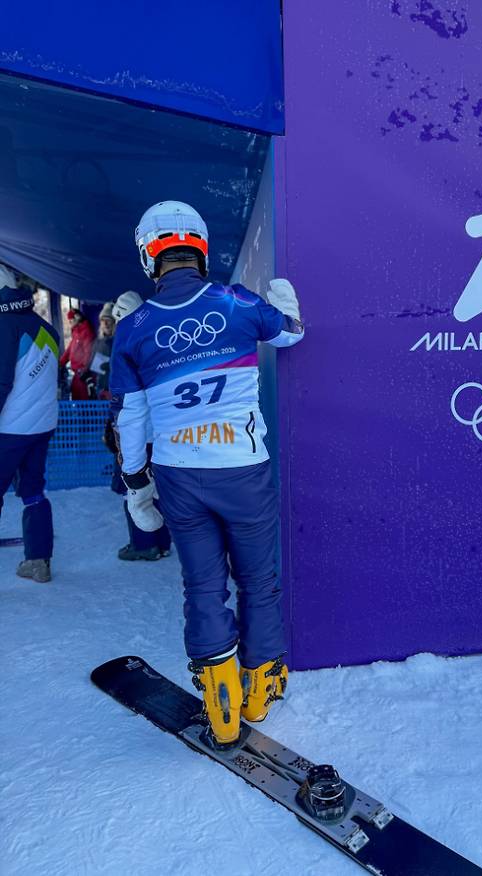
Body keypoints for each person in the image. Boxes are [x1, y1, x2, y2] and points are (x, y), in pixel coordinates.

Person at [110, 201, 304, 747]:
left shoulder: (133, 328)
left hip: (178, 476)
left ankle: (220, 705)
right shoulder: (235, 301)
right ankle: (261, 692)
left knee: (202, 586)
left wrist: (135, 485)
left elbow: (130, 419)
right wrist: (288, 306)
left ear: (150, 255)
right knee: (258, 583)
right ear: (199, 247)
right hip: (243, 470)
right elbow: (290, 334)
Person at [0, 263, 59, 583]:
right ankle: (39, 560)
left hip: (9, 429)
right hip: (41, 425)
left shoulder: (3, 325)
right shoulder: (43, 326)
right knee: (34, 491)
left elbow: (1, 381)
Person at [104, 291, 171, 561]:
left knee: (134, 488)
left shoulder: (127, 343)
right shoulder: (160, 337)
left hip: (138, 433)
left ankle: (144, 545)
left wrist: (114, 426)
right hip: (162, 431)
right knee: (159, 489)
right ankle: (162, 543)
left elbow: (127, 400)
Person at [59, 308, 94, 400]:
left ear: (77, 318)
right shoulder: (76, 332)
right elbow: (70, 349)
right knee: (76, 399)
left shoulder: (86, 331)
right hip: (77, 374)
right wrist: (60, 363)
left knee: (84, 403)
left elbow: (88, 352)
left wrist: (84, 370)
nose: (70, 323)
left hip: (82, 375)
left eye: (71, 321)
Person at [89, 302, 116, 400]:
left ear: (114, 323)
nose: (105, 324)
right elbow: (92, 363)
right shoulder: (98, 341)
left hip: (114, 389)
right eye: (103, 320)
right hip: (100, 388)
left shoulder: (119, 342)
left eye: (108, 320)